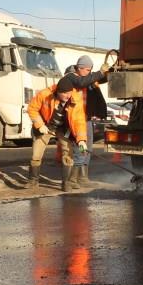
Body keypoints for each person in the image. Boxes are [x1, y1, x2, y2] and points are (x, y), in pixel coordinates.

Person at [25, 76, 89, 192]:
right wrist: (40, 125)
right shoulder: (44, 94)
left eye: (69, 93)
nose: (68, 96)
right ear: (58, 92)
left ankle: (66, 183)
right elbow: (32, 109)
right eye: (64, 94)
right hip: (46, 127)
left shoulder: (75, 99)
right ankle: (33, 180)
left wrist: (81, 140)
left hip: (63, 129)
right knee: (36, 154)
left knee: (67, 154)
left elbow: (79, 121)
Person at [62, 55, 110, 187]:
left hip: (86, 118)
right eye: (88, 70)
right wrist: (99, 72)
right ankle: (72, 179)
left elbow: (98, 79)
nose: (90, 72)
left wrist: (109, 71)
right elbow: (82, 82)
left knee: (87, 147)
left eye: (91, 70)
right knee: (78, 148)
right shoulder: (71, 76)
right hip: (75, 118)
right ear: (80, 68)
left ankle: (83, 177)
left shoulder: (88, 78)